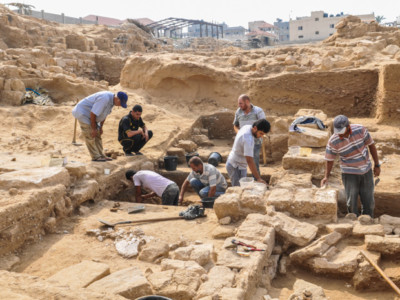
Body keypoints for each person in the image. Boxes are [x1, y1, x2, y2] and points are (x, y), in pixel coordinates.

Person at [321, 115, 381, 218]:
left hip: (366, 170)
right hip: (349, 173)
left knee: (368, 201)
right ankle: (353, 222)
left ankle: (368, 220)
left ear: (348, 127)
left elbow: (371, 145)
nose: (340, 136)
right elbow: (330, 160)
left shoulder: (360, 130)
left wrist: (377, 165)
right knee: (351, 202)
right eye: (338, 132)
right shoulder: (333, 141)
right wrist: (326, 176)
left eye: (342, 132)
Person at [72, 91, 128, 162]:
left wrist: (100, 127)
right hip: (83, 113)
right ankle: (96, 157)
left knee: (98, 134)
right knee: (90, 134)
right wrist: (93, 128)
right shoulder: (104, 99)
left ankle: (101, 155)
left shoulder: (112, 102)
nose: (120, 105)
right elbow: (93, 113)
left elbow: (104, 115)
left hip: (91, 116)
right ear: (117, 99)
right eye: (121, 103)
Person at [226, 119, 271, 186]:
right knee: (237, 189)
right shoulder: (248, 139)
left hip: (241, 165)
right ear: (255, 128)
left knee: (243, 187)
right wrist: (258, 178)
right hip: (234, 165)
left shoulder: (248, 127)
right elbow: (249, 160)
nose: (261, 136)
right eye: (261, 133)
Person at [233, 94, 266, 177]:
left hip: (255, 142)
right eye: (239, 103)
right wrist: (240, 133)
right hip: (242, 142)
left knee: (254, 163)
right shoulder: (238, 111)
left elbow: (263, 126)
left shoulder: (258, 111)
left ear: (247, 102)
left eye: (241, 103)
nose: (239, 105)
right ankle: (240, 182)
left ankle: (257, 180)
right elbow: (235, 125)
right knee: (239, 163)